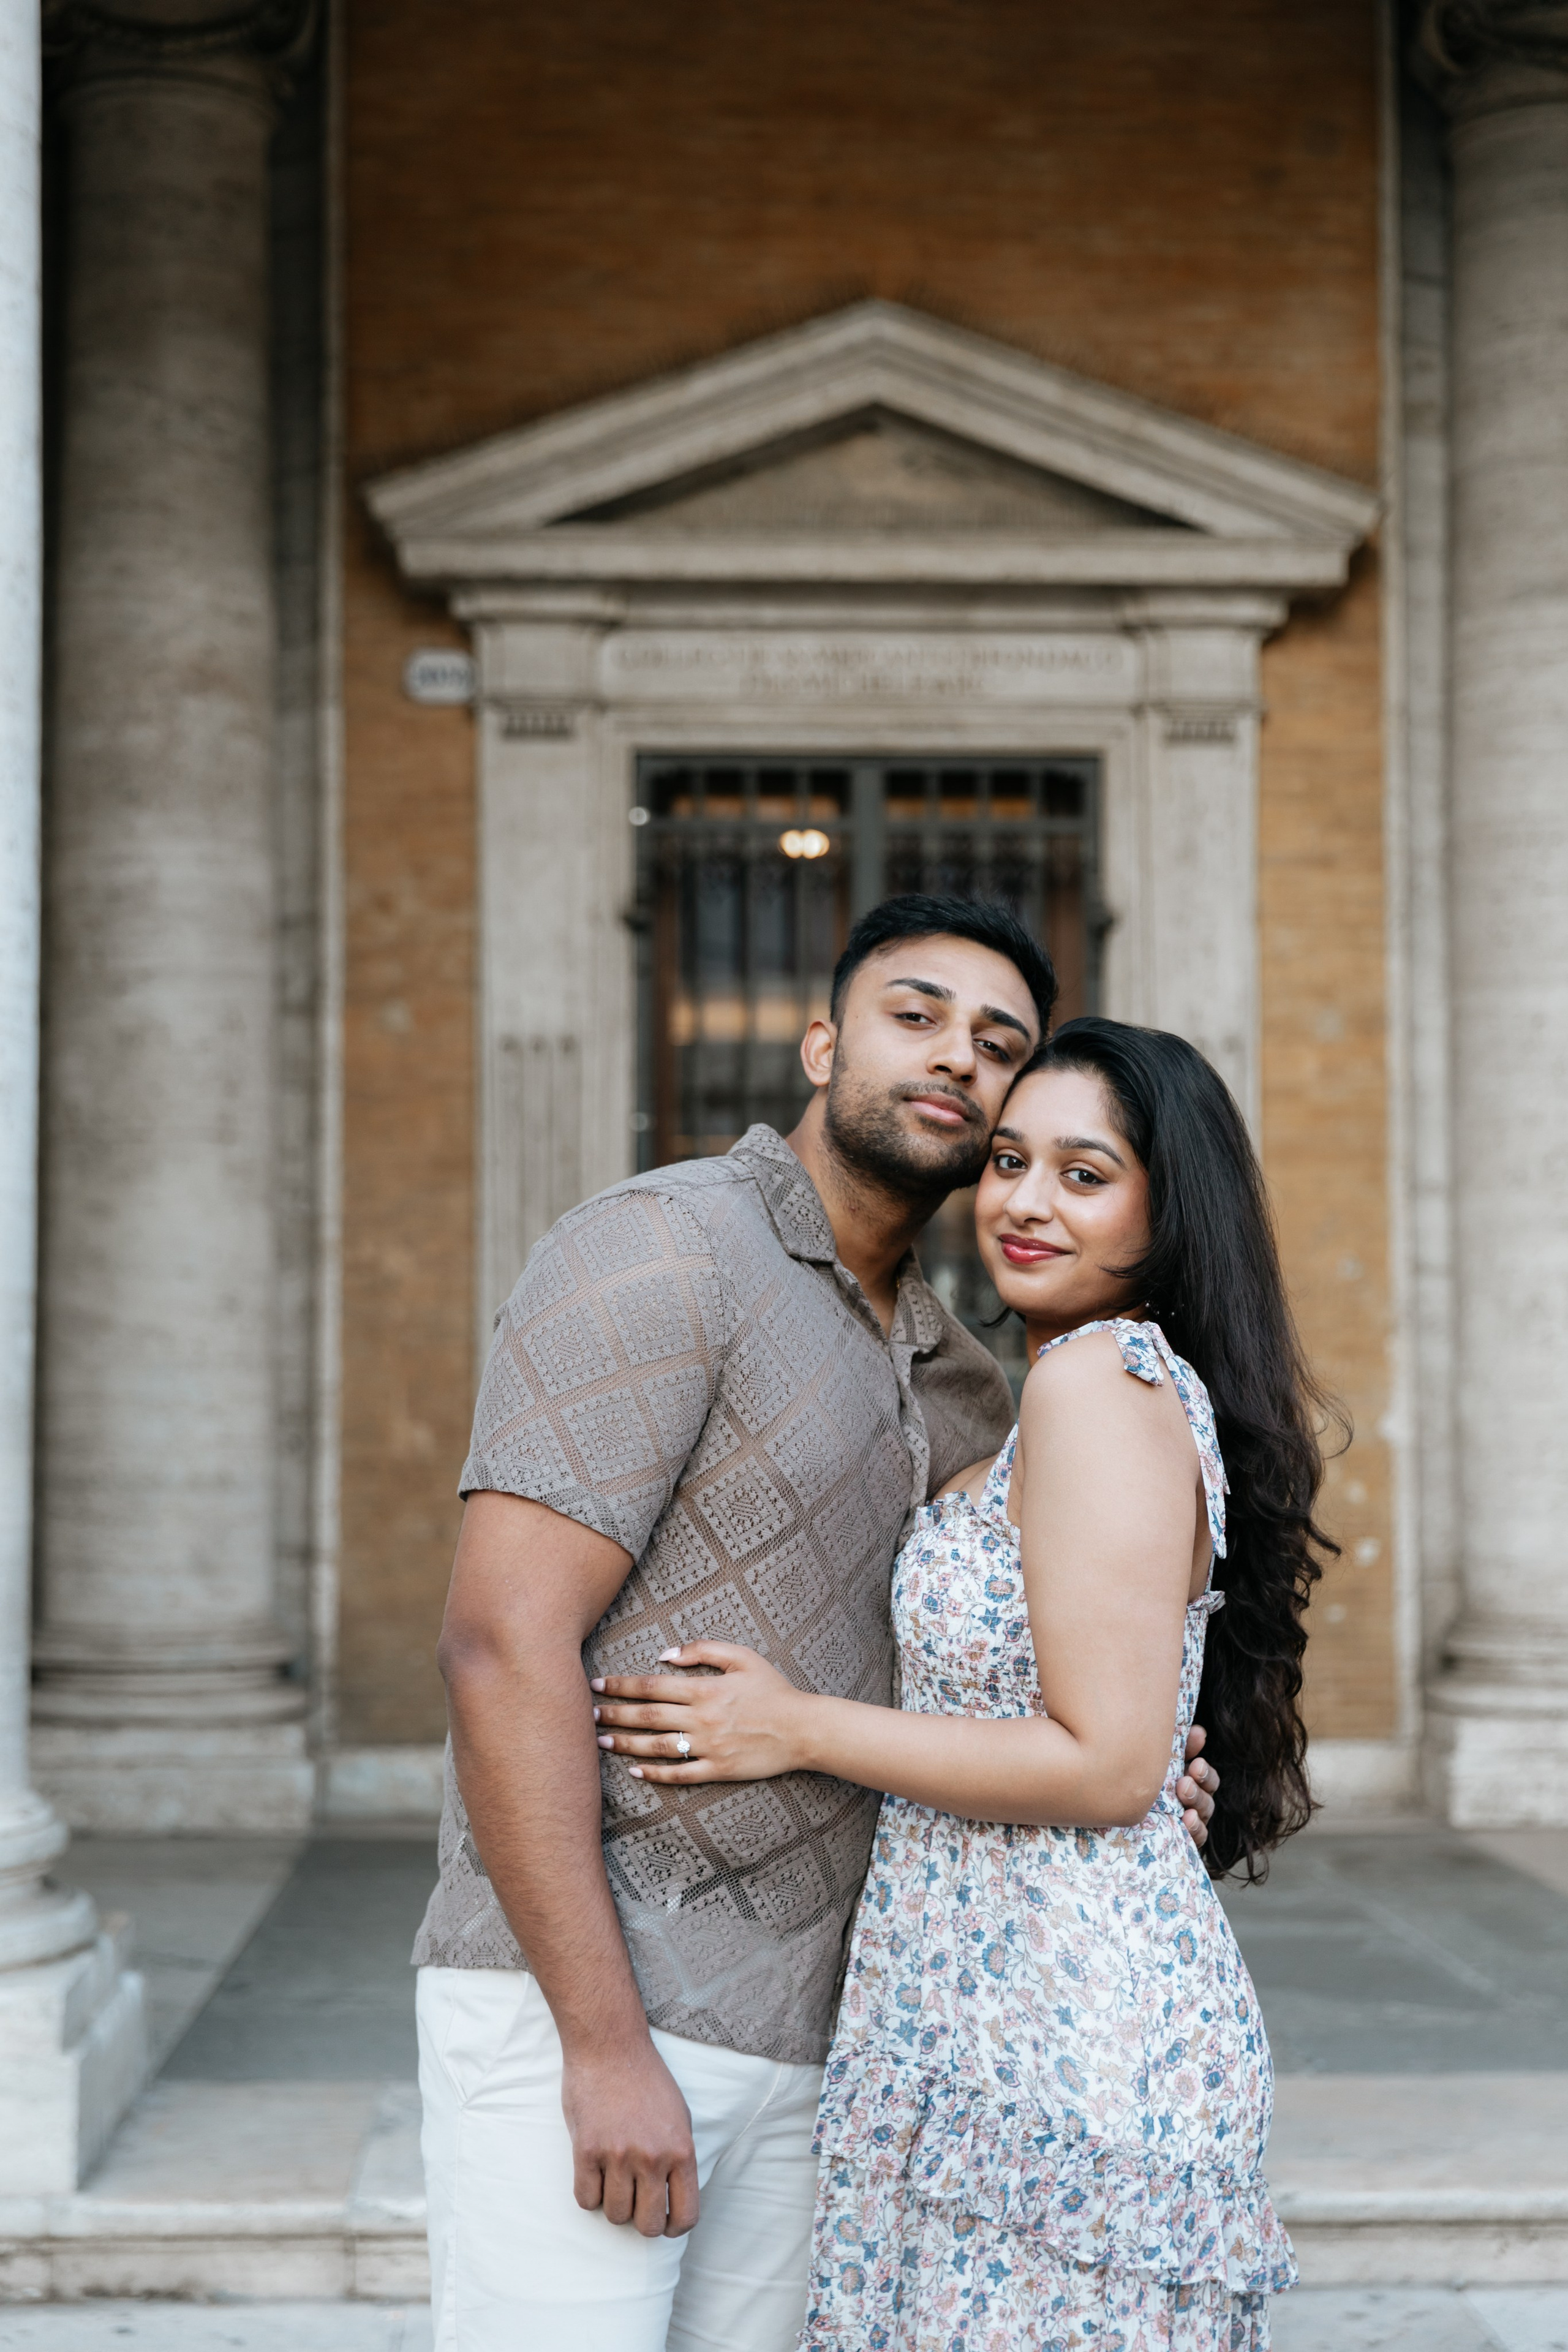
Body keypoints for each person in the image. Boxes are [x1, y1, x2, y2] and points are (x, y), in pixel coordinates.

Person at [415, 900, 1219, 2352]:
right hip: (595, 2004)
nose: (955, 1061)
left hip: (840, 2030)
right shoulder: (661, 1249)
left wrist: (1148, 1751)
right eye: (914, 1016)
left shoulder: (974, 1381)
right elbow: (497, 1643)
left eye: (997, 1046)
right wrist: (600, 2046)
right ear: (820, 1041)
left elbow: (1040, 1667)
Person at [594, 1016, 1332, 2350]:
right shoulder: (1064, 1389)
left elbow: (1104, 1767)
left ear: (1167, 1214)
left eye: (1083, 1173)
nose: (1025, 1202)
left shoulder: (1098, 1381)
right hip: (982, 2000)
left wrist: (790, 1725)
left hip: (1054, 2029)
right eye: (1005, 1161)